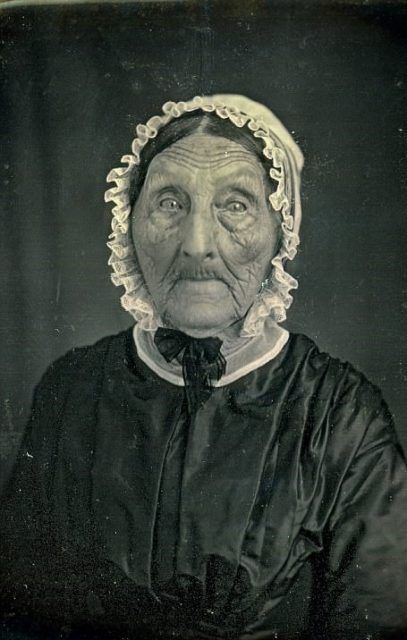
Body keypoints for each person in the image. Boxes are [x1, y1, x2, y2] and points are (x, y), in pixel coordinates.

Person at [1, 94, 407, 640]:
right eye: (170, 202)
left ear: (280, 230)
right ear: (129, 222)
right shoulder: (70, 389)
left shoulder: (341, 416)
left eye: (235, 204)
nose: (197, 246)